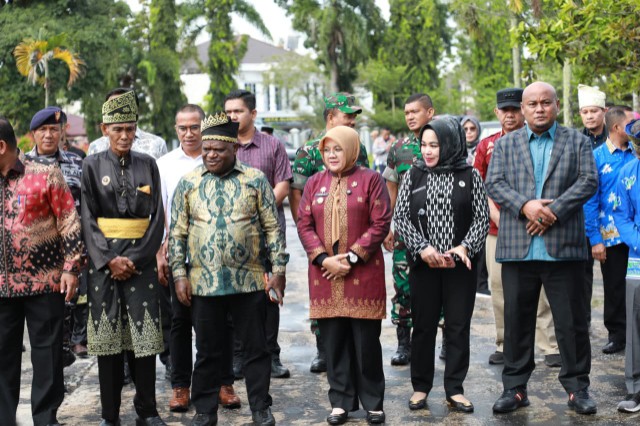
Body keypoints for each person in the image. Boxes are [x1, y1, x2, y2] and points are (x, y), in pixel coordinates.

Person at [169, 112, 288, 426]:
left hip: (249, 281)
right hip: (203, 283)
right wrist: (179, 275)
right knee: (208, 350)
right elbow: (177, 233)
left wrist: (278, 270)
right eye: (206, 149)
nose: (210, 154)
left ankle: (260, 407)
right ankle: (205, 411)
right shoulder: (189, 183)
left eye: (218, 150)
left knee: (256, 349)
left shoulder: (255, 180)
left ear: (234, 148)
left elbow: (272, 228)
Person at [486, 82, 598, 415]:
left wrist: (552, 211)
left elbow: (588, 181)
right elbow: (494, 183)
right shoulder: (505, 144)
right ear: (523, 108)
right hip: (518, 248)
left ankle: (578, 389)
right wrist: (526, 206)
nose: (539, 108)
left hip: (564, 248)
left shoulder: (577, 141)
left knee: (571, 323)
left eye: (545, 102)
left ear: (557, 105)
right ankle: (515, 388)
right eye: (532, 103)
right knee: (516, 323)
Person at [81, 90, 166, 426]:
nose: (125, 136)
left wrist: (135, 258)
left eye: (130, 129)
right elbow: (87, 218)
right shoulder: (91, 165)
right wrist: (109, 260)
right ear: (105, 129)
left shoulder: (148, 165)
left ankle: (148, 412)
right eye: (117, 129)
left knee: (144, 343)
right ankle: (110, 416)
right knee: (109, 345)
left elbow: (157, 218)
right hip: (104, 267)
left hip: (140, 266)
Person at [394, 116, 489, 414]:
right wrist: (423, 249)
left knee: (457, 327)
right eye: (424, 145)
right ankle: (421, 386)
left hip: (459, 267)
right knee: (423, 327)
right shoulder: (414, 175)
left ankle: (455, 390)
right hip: (425, 266)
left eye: (434, 145)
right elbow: (401, 217)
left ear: (449, 144)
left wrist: (464, 247)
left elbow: (482, 218)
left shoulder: (470, 175)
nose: (427, 151)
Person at [297, 125, 391, 425]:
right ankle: (340, 402)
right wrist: (324, 259)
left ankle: (373, 402)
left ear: (351, 150)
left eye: (338, 149)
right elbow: (303, 223)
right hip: (325, 275)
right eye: (327, 150)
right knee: (334, 342)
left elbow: (381, 222)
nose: (332, 155)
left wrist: (350, 258)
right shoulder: (314, 182)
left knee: (366, 343)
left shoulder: (371, 179)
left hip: (362, 271)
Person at [156, 104, 242, 412]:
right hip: (179, 254)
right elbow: (159, 211)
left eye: (195, 127)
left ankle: (224, 383)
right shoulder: (164, 165)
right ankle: (181, 386)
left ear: (204, 128)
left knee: (223, 322)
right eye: (183, 128)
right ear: (176, 129)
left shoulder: (217, 157)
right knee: (179, 322)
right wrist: (161, 251)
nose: (189, 133)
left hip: (218, 258)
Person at [0, 117, 82, 426]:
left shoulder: (45, 174)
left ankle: (46, 419)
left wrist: (71, 268)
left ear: (1, 146)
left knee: (47, 357)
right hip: (1, 288)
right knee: (2, 358)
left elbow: (69, 221)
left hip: (45, 283)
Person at [473, 88, 562, 368]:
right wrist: (499, 217)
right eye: (505, 110)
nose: (509, 115)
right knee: (500, 288)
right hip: (497, 229)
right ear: (496, 112)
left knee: (543, 290)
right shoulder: (486, 146)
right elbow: (481, 186)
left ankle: (549, 344)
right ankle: (504, 343)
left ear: (522, 111)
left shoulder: (539, 141)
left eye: (514, 109)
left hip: (537, 225)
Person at [289, 92, 370, 373]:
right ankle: (324, 348)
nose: (352, 121)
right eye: (347, 115)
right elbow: (297, 194)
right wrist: (311, 238)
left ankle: (353, 347)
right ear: (331, 117)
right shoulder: (310, 151)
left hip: (353, 235)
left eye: (354, 116)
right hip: (320, 237)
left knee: (353, 288)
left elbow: (366, 189)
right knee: (322, 289)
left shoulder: (358, 146)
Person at [225, 89, 293, 380]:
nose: (232, 116)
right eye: (228, 112)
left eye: (238, 111)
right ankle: (239, 356)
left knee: (270, 293)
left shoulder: (272, 145)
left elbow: (283, 185)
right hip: (231, 234)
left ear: (252, 114)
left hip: (268, 233)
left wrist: (255, 211)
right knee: (234, 295)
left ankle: (271, 355)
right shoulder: (222, 145)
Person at [382, 93, 435, 366]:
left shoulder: (444, 141)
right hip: (405, 231)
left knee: (439, 286)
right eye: (407, 113)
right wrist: (386, 226)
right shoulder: (399, 148)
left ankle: (443, 341)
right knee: (403, 285)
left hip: (438, 230)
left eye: (415, 111)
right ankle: (404, 343)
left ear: (430, 112)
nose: (410, 117)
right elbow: (391, 189)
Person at [584, 106, 635, 355]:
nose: (635, 127)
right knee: (614, 286)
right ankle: (617, 335)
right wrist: (595, 239)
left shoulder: (636, 152)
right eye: (631, 123)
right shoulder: (596, 157)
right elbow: (590, 201)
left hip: (636, 233)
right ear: (617, 127)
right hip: (610, 235)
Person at [612, 118, 640, 413]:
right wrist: (637, 241)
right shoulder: (628, 172)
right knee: (635, 322)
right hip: (638, 257)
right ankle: (635, 389)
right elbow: (621, 214)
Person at [578, 84, 608, 331]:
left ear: (604, 111)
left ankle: (618, 330)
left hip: (612, 217)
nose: (589, 116)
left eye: (594, 111)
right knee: (581, 277)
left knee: (614, 278)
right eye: (585, 112)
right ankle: (583, 323)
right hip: (581, 218)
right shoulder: (575, 141)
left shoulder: (615, 139)